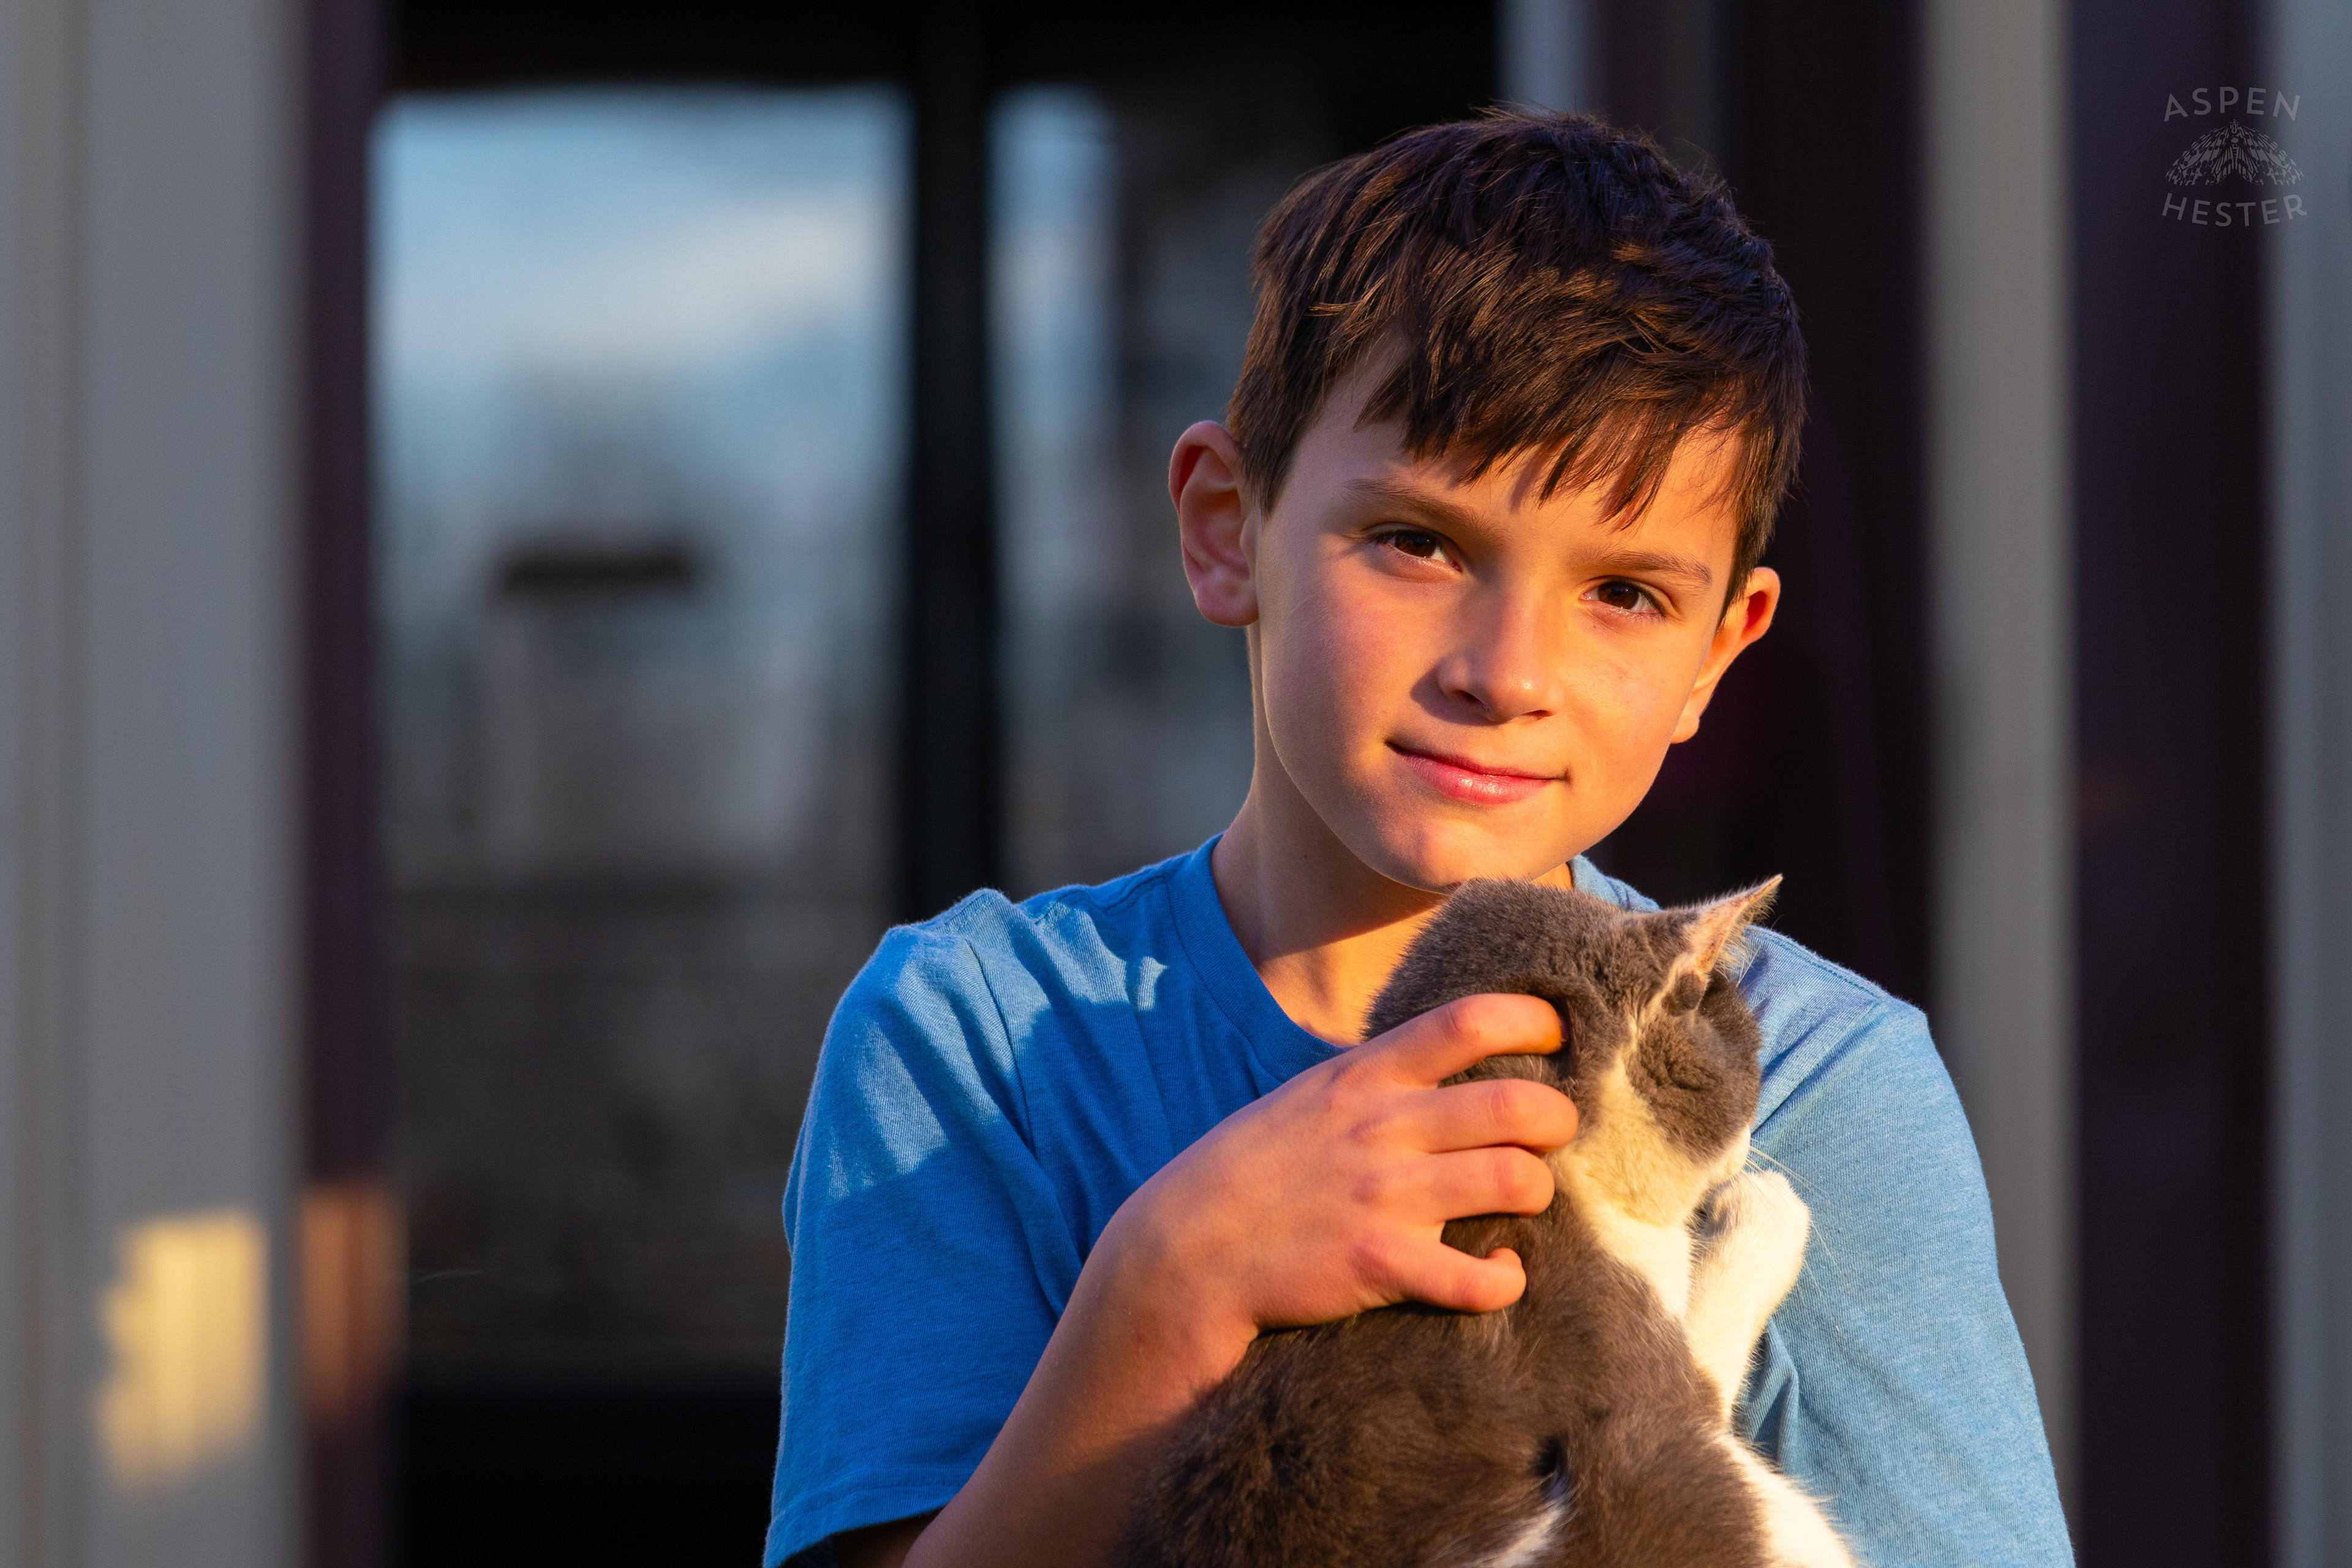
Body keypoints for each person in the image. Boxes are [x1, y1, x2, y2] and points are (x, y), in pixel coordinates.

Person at [765, 110, 2071, 1568]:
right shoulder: (978, 1041)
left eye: (1626, 592)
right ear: (1223, 527)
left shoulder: (1820, 1082)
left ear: (1720, 647)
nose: (1504, 670)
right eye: (1419, 541)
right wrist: (1156, 1297)